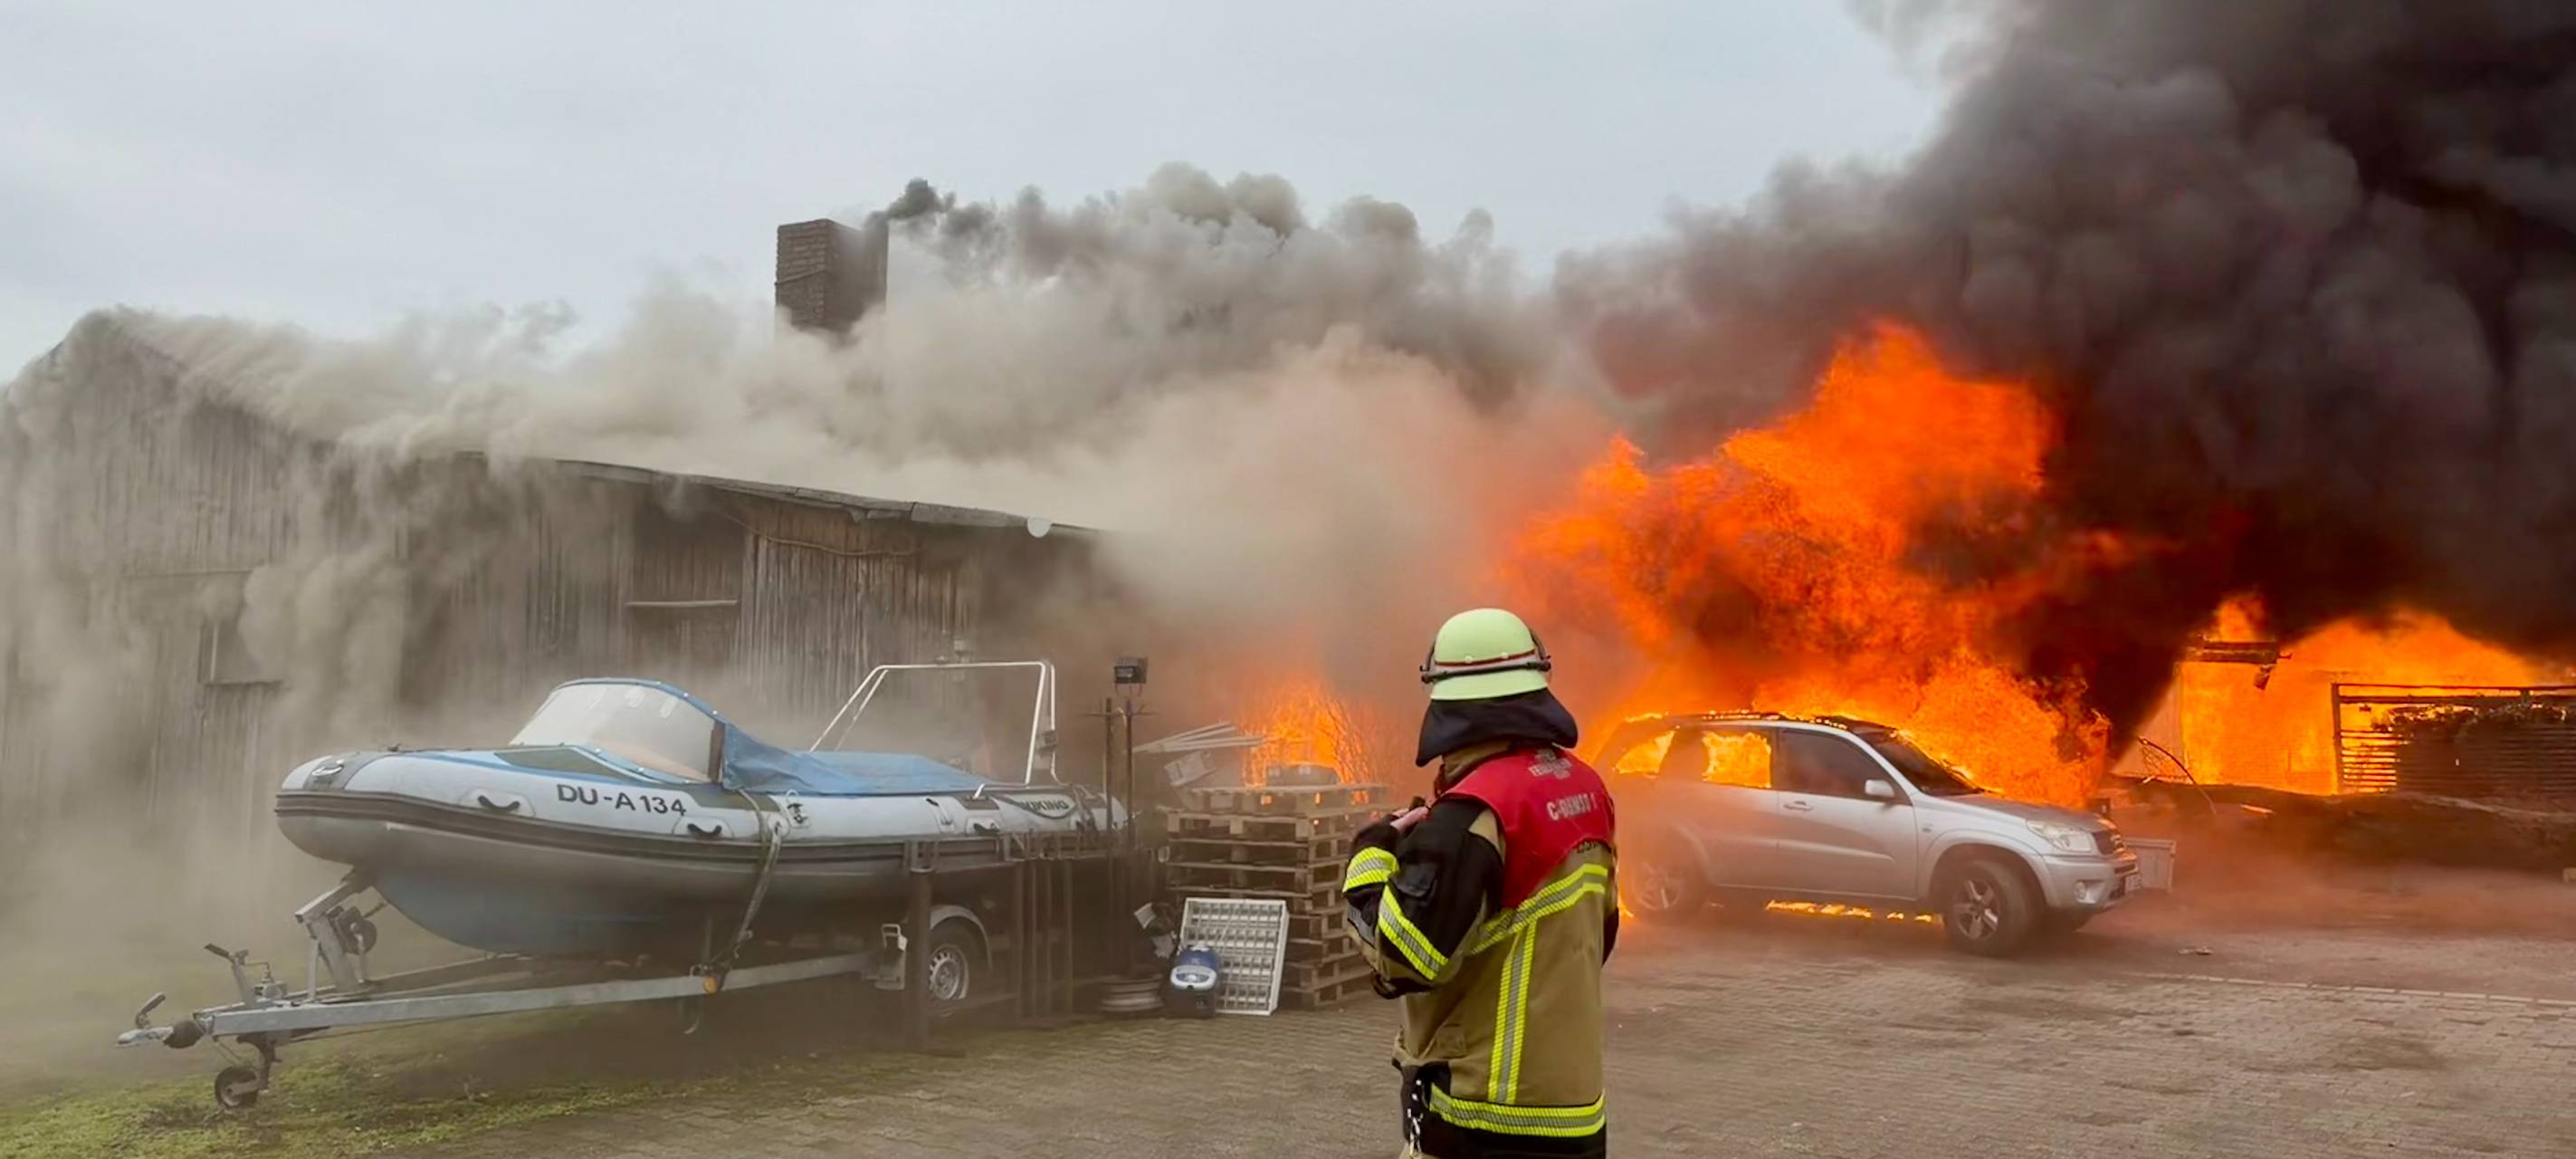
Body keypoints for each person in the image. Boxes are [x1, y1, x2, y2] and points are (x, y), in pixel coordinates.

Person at [1341, 608, 1617, 1158]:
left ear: (1445, 700)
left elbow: (1404, 956)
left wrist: (1370, 854)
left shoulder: (1472, 816)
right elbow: (1600, 936)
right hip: (1576, 1112)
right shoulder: (1585, 788)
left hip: (1482, 1115)